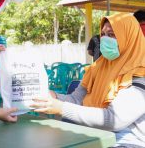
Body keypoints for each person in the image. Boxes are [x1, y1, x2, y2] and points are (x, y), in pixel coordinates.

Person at [31, 13, 145, 147]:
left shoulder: (140, 73)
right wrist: (53, 96)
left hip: (126, 141)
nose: (105, 39)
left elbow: (113, 120)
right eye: (103, 34)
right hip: (93, 133)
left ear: (129, 37)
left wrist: (61, 108)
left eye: (112, 34)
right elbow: (76, 99)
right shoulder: (98, 67)